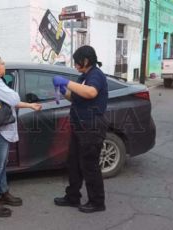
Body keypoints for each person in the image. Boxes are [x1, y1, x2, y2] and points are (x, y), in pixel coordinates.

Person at [0, 54, 42, 217]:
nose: (4, 66)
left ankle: (3, 192)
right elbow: (14, 98)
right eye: (2, 64)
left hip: (0, 131)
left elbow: (11, 101)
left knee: (1, 165)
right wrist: (23, 101)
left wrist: (30, 105)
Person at [52, 45, 108, 213]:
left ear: (86, 60)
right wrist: (64, 91)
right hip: (79, 126)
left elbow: (91, 93)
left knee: (89, 165)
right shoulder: (83, 77)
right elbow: (76, 96)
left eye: (77, 62)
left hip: (91, 127)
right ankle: (72, 196)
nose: (75, 65)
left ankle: (97, 202)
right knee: (74, 163)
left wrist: (66, 82)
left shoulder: (95, 75)